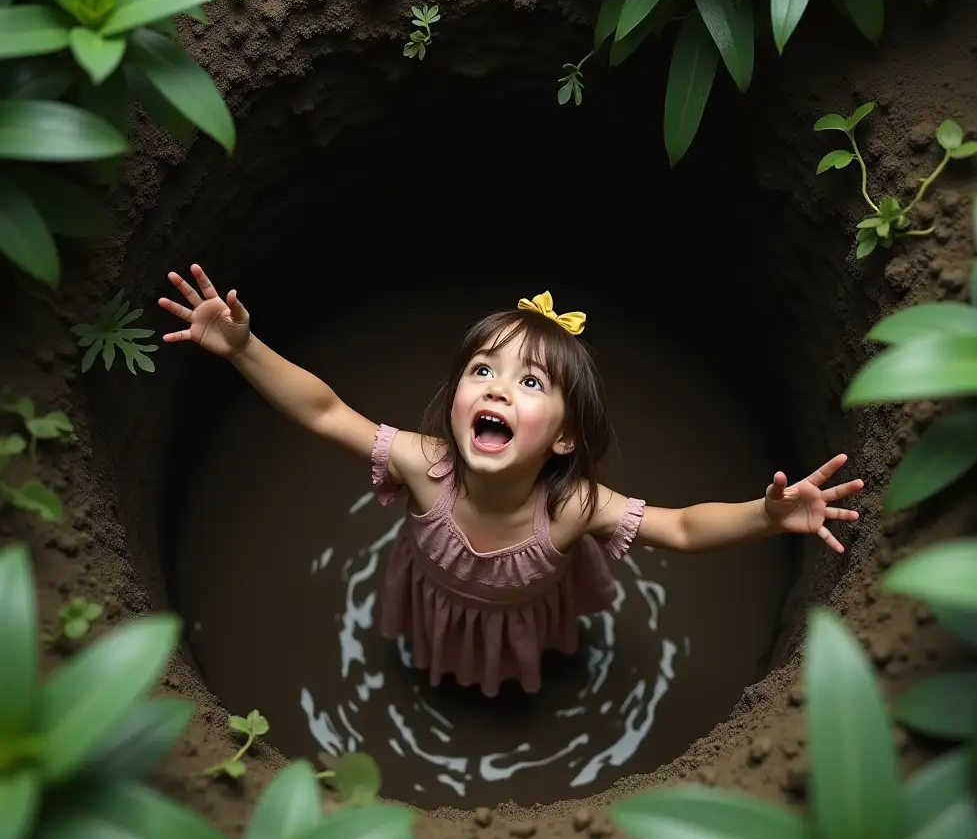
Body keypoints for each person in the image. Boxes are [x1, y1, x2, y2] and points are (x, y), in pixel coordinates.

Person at [158, 266, 863, 697]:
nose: (498, 389)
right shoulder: (423, 465)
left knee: (516, 659)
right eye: (482, 371)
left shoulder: (571, 506)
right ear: (459, 395)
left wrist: (766, 516)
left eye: (530, 381)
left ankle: (503, 683)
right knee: (439, 651)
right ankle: (443, 671)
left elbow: (678, 527)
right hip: (437, 598)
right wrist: (244, 348)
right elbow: (322, 410)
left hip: (528, 613)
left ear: (562, 436)